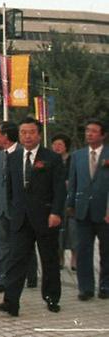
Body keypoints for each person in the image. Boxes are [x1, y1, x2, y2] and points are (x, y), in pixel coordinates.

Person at [0, 117, 65, 317]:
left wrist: (56, 212)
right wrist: (13, 211)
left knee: (49, 260)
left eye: (31, 132)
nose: (27, 136)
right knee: (16, 260)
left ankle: (51, 298)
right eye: (23, 132)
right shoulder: (13, 157)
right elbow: (10, 190)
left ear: (39, 134)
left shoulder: (51, 158)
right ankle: (11, 302)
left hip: (45, 218)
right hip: (21, 219)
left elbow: (60, 190)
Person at [0, 122, 38, 293]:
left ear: (5, 136)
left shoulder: (22, 154)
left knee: (25, 245)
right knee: (1, 245)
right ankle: (1, 280)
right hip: (1, 208)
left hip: (19, 210)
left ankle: (31, 276)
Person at [66, 118, 109, 301]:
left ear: (103, 134)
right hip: (82, 211)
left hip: (105, 212)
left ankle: (105, 286)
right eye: (87, 130)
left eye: (93, 131)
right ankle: (86, 288)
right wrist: (70, 206)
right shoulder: (77, 155)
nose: (89, 134)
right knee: (83, 250)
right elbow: (73, 183)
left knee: (106, 251)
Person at [51, 133, 77, 271]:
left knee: (73, 230)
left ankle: (74, 260)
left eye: (60, 144)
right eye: (54, 144)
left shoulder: (74, 159)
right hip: (56, 200)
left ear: (66, 146)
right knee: (58, 231)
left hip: (72, 199)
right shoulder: (51, 160)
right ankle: (59, 259)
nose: (57, 147)